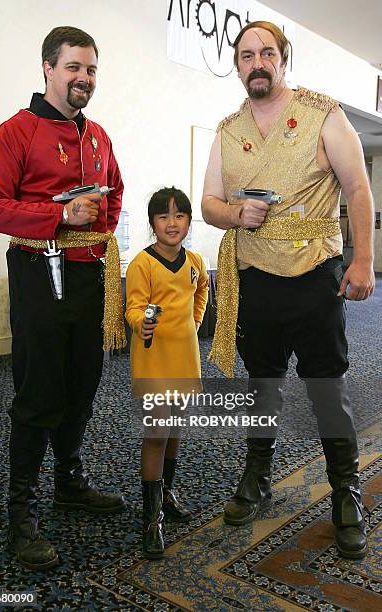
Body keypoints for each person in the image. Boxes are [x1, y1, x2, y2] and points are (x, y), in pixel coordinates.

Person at [202, 21, 375, 560]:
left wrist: (364, 259)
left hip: (314, 277)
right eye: (247, 54)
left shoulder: (324, 113)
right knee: (263, 387)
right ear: (238, 66)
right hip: (256, 278)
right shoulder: (227, 130)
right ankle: (257, 478)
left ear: (283, 59)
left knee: (327, 388)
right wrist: (233, 213)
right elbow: (208, 202)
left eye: (268, 53)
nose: (258, 62)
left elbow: (359, 188)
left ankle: (346, 490)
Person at [0, 26, 127, 570]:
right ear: (48, 68)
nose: (83, 78)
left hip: (90, 274)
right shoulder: (13, 133)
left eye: (90, 70)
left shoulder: (99, 135)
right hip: (38, 271)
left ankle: (69, 481)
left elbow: (115, 191)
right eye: (73, 68)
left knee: (84, 381)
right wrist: (58, 216)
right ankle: (22, 510)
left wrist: (97, 230)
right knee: (39, 390)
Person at [125, 187, 208, 558]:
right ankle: (150, 518)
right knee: (156, 433)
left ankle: (167, 494)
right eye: (163, 216)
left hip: (185, 358)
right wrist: (139, 322)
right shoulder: (141, 264)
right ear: (152, 223)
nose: (172, 223)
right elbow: (133, 306)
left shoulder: (195, 261)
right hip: (153, 359)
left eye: (179, 215)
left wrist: (194, 321)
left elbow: (202, 290)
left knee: (175, 428)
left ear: (189, 220)